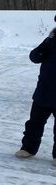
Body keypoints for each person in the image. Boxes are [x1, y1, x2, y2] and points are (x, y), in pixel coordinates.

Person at [15, 18, 56, 165]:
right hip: (44, 90)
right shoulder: (49, 41)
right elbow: (34, 57)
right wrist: (39, 52)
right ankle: (28, 148)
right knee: (34, 123)